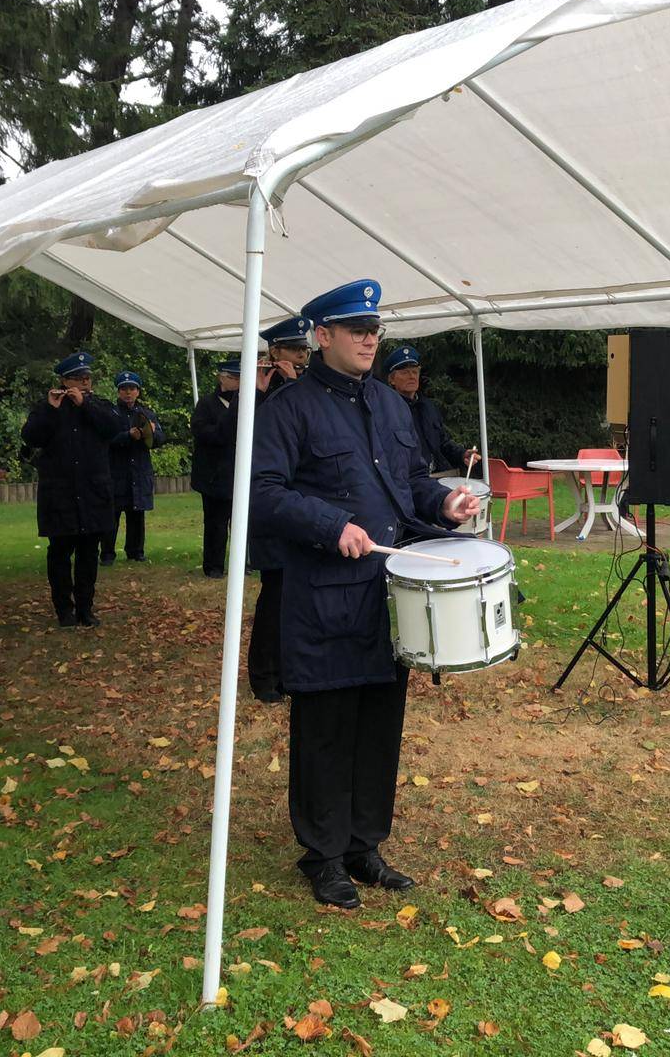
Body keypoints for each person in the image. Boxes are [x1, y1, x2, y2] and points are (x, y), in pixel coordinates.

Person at [251, 279, 480, 910]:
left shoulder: (389, 402)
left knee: (381, 723)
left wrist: (445, 502)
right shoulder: (288, 408)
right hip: (325, 593)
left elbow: (408, 481)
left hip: (388, 595)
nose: (369, 338)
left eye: (374, 329)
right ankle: (322, 855)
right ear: (322, 336)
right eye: (356, 329)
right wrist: (332, 525)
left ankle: (364, 844)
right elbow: (263, 492)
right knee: (326, 725)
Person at [22, 351, 119, 627]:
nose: (84, 383)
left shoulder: (100, 406)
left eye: (87, 378)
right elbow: (31, 437)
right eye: (78, 378)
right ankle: (64, 609)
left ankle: (85, 608)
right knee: (60, 554)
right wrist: (51, 410)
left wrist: (85, 406)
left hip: (92, 493)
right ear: (64, 381)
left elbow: (112, 428)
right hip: (60, 495)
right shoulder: (48, 408)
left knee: (89, 555)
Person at [247, 315, 313, 701]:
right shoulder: (257, 390)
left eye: (304, 350)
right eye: (294, 350)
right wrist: (258, 391)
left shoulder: (304, 388)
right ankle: (263, 677)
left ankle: (289, 673)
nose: (302, 356)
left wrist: (294, 384)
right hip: (271, 507)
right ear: (274, 352)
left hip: (300, 506)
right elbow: (237, 438)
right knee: (274, 598)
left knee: (296, 599)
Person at [191, 358, 267, 578]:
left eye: (241, 378)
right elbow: (213, 434)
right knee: (215, 523)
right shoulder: (206, 404)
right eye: (234, 378)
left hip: (241, 473)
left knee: (242, 521)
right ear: (221, 378)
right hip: (214, 475)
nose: (239, 382)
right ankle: (214, 565)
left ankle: (242, 562)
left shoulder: (250, 401)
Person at [100, 370, 165, 565]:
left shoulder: (146, 413)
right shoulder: (110, 413)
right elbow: (106, 439)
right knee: (112, 515)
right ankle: (107, 554)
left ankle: (136, 552)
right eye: (124, 389)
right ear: (118, 391)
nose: (128, 393)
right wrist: (127, 436)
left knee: (137, 514)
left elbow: (160, 439)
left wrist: (152, 433)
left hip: (139, 470)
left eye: (132, 389)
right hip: (117, 471)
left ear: (138, 391)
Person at [383, 345, 479, 475]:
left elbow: (442, 442)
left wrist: (462, 454)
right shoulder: (386, 410)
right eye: (405, 372)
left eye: (415, 372)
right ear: (392, 379)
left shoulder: (427, 407)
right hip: (408, 480)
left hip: (437, 476)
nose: (411, 376)